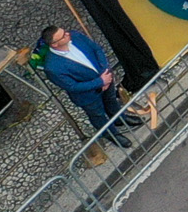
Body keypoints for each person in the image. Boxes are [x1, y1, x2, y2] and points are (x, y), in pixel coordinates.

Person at [35, 25, 135, 157]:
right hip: (88, 96)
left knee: (111, 100)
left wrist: (104, 72)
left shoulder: (75, 36)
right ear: (55, 44)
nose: (68, 34)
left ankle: (119, 118)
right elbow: (72, 86)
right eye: (63, 35)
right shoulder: (52, 67)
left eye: (65, 31)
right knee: (97, 115)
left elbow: (96, 49)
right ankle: (111, 133)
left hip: (105, 77)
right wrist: (100, 82)